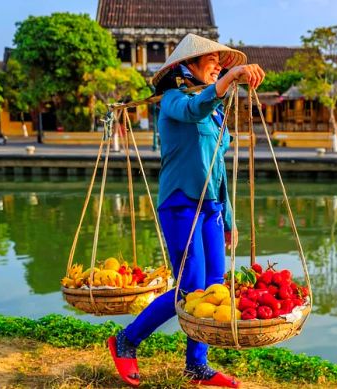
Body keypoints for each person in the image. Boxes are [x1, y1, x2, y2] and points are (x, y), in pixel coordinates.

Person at [107, 33, 265, 388]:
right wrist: (229, 79)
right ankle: (125, 341)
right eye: (211, 61)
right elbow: (195, 108)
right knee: (189, 287)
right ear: (186, 67)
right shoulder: (174, 101)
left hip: (211, 207)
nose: (217, 66)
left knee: (212, 288)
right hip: (180, 204)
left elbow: (218, 168)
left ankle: (197, 366)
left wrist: (229, 219)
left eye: (220, 63)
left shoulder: (216, 111)